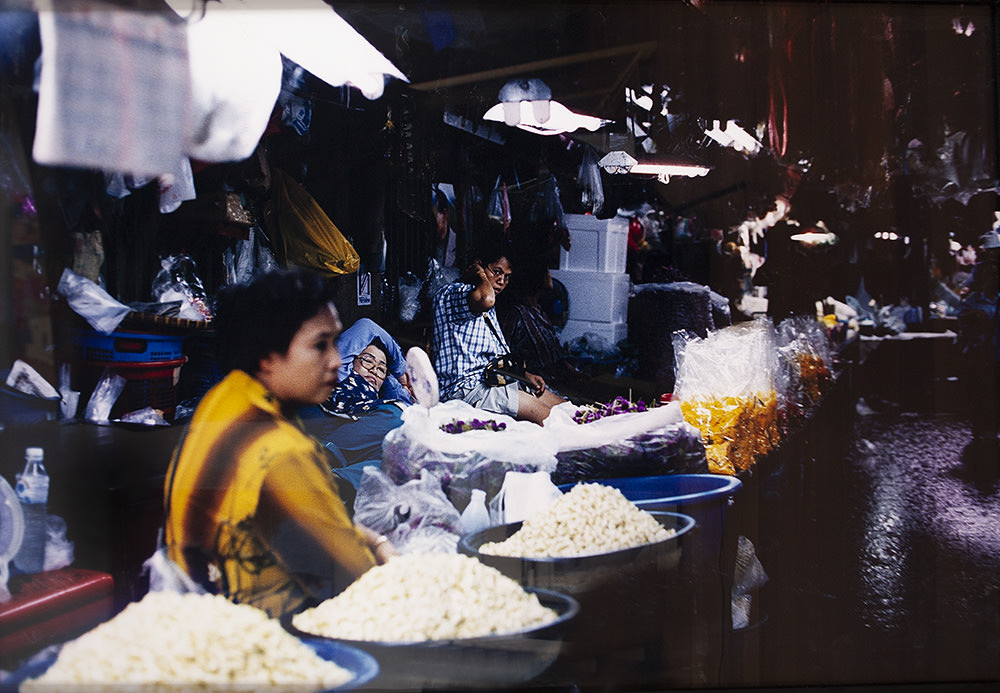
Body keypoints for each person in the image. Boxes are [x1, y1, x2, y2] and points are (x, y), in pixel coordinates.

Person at [163, 269, 396, 620]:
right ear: (267, 357)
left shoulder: (223, 400)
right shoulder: (282, 451)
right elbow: (355, 581)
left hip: (196, 604)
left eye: (335, 343)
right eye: (320, 345)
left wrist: (371, 539)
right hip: (254, 632)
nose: (336, 361)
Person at [431, 235, 566, 424]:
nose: (501, 281)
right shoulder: (455, 294)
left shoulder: (487, 307)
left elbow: (494, 359)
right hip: (465, 390)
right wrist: (477, 273)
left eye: (507, 277)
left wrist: (523, 375)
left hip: (491, 383)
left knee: (565, 410)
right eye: (496, 272)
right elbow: (486, 299)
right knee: (550, 418)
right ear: (478, 266)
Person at [300, 318, 414, 489]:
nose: (374, 370)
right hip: (325, 436)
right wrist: (401, 371)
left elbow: (412, 408)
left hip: (356, 449)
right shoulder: (339, 372)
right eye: (368, 360)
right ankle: (323, 457)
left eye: (381, 369)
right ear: (352, 359)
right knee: (398, 413)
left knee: (401, 459)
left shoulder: (378, 397)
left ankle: (337, 481)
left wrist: (397, 385)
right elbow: (366, 326)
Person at [496, 252, 588, 396]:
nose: (550, 276)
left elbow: (555, 360)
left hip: (559, 382)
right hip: (539, 387)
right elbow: (502, 356)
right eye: (547, 272)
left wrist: (575, 374)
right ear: (537, 277)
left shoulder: (539, 311)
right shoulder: (516, 315)